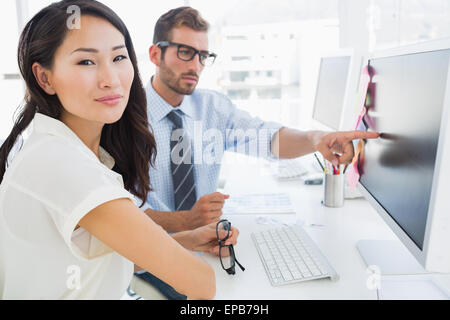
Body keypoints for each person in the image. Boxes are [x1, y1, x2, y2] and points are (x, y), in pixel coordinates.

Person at [0, 0, 240, 300]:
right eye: (86, 62)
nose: (111, 79)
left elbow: (110, 251)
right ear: (44, 77)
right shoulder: (60, 162)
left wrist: (187, 239)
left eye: (118, 57)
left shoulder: (69, 149)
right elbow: (203, 285)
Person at [138, 6, 379, 298]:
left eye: (203, 56)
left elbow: (268, 139)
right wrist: (185, 222)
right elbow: (119, 214)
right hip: (150, 254)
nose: (196, 66)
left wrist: (316, 139)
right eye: (185, 52)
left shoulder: (212, 107)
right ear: (155, 54)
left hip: (208, 246)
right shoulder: (124, 120)